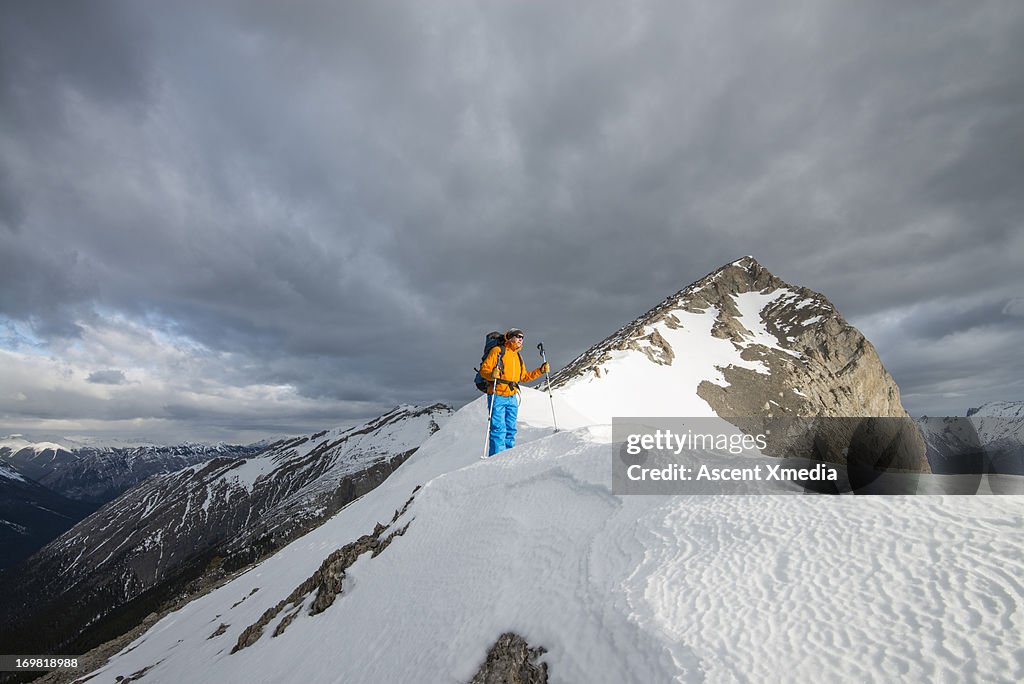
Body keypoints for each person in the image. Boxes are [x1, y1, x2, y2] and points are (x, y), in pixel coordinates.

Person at [479, 328, 550, 457]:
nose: (520, 339)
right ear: (509, 337)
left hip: (512, 396)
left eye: (522, 337)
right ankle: (496, 458)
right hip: (497, 394)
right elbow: (484, 370)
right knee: (498, 429)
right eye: (517, 336)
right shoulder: (498, 351)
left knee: (511, 429)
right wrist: (491, 374)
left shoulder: (518, 356)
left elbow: (523, 377)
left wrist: (540, 370)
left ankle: (507, 455)